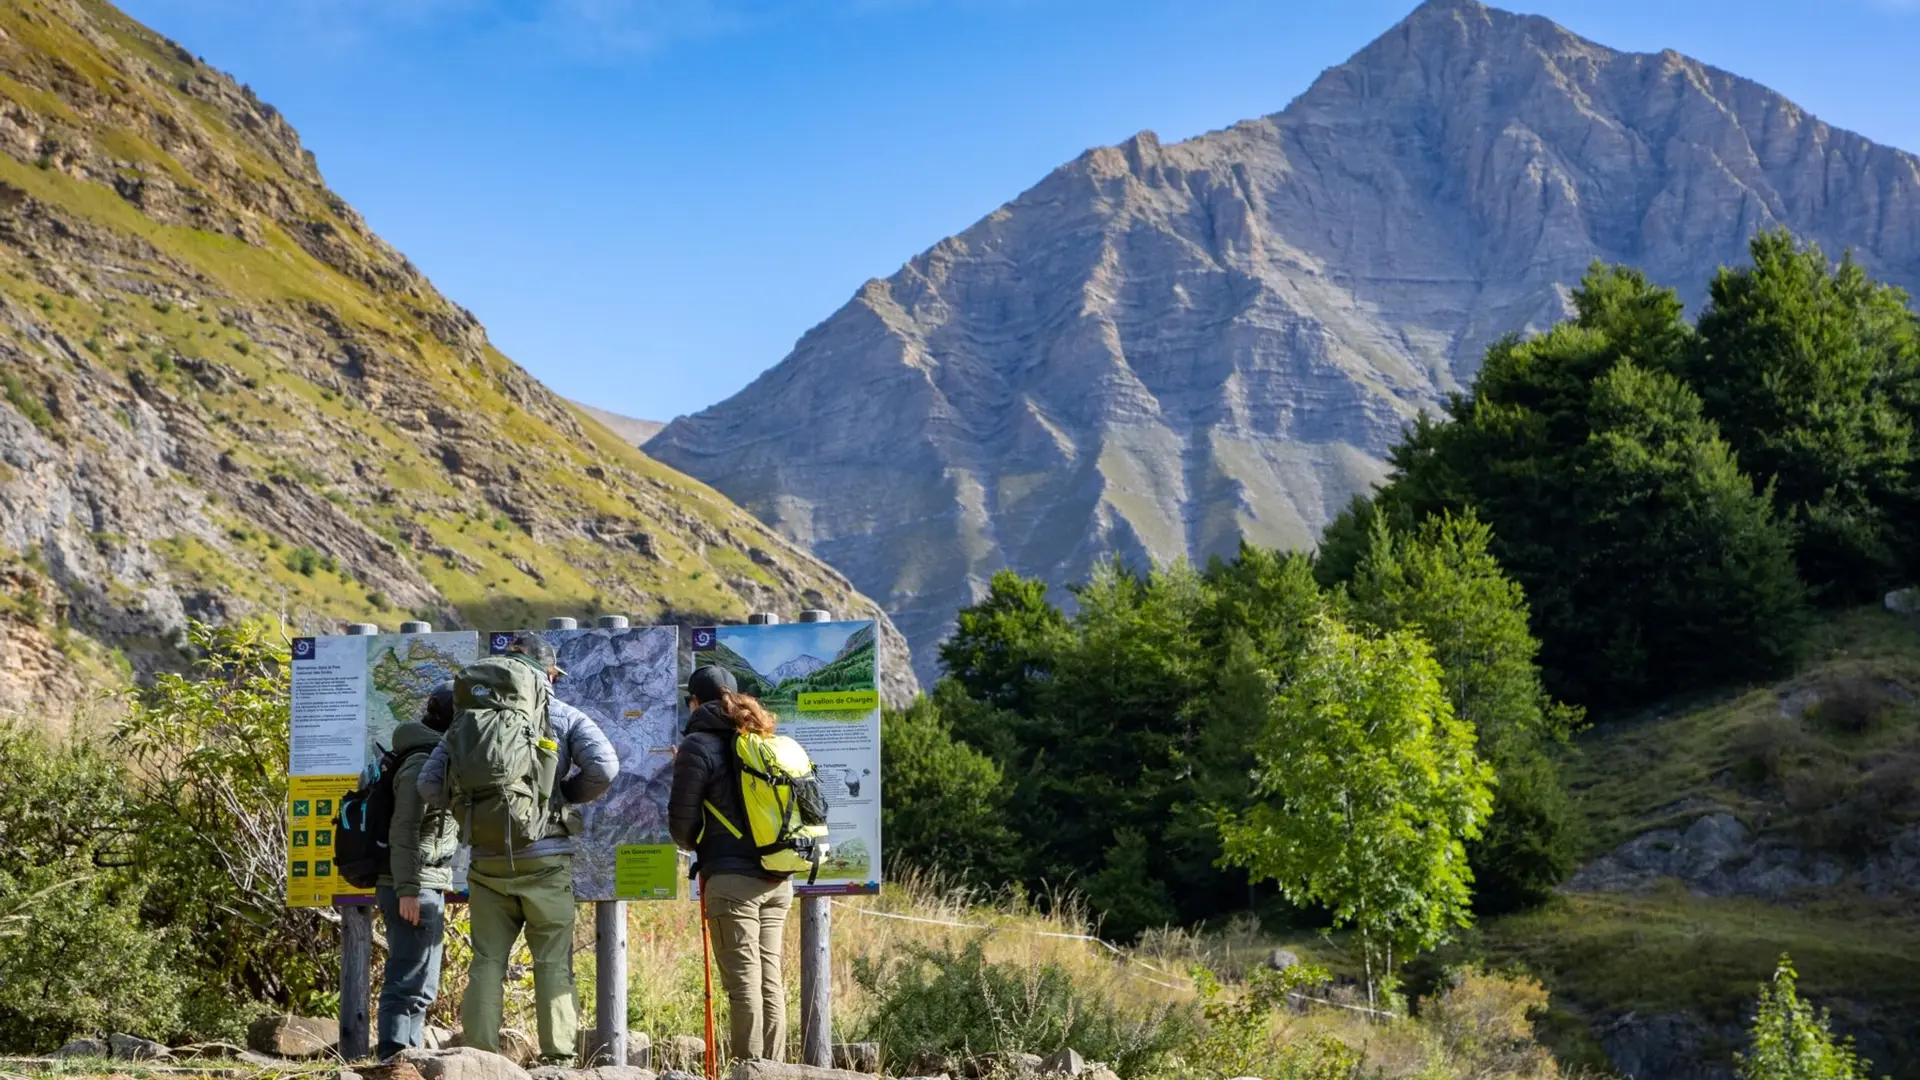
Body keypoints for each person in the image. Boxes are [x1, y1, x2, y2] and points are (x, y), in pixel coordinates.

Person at [419, 633, 618, 1064]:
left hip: (488, 862)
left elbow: (428, 784)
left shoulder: (464, 720)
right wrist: (561, 795)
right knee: (550, 959)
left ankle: (478, 1056)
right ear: (549, 673)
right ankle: (557, 1058)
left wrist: (472, 810)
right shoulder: (563, 716)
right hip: (545, 858)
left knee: (487, 959)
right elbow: (605, 766)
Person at [669, 665, 793, 1064]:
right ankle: (771, 1070)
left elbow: (681, 826)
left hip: (731, 882)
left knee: (743, 987)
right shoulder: (759, 736)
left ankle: (749, 1070)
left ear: (694, 701)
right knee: (769, 982)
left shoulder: (697, 745)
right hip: (777, 879)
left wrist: (701, 846)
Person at [376, 682, 459, 1061]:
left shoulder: (434, 755)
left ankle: (408, 1058)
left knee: (421, 985)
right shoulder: (420, 761)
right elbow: (404, 826)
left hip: (425, 882)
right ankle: (392, 1059)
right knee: (407, 979)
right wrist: (408, 889)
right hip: (411, 883)